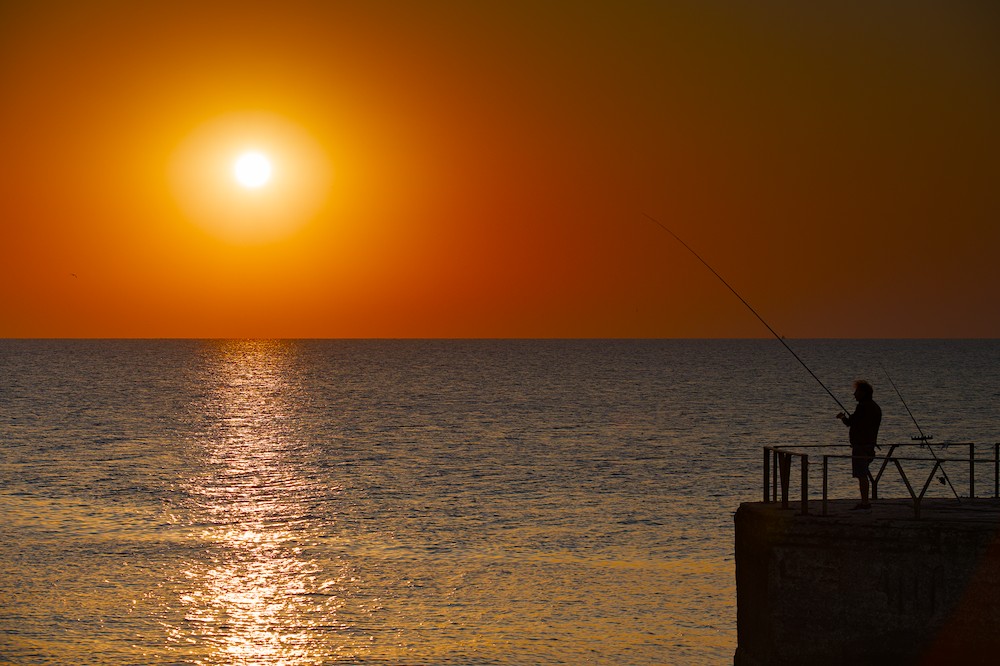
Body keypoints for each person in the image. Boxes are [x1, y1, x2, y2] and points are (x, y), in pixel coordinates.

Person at [836, 380, 882, 510]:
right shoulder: (875, 407)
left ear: (863, 393)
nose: (854, 394)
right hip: (870, 446)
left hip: (861, 446)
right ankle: (865, 501)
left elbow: (851, 422)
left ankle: (865, 502)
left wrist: (842, 417)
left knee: (862, 475)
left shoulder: (863, 407)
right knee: (863, 474)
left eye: (856, 392)